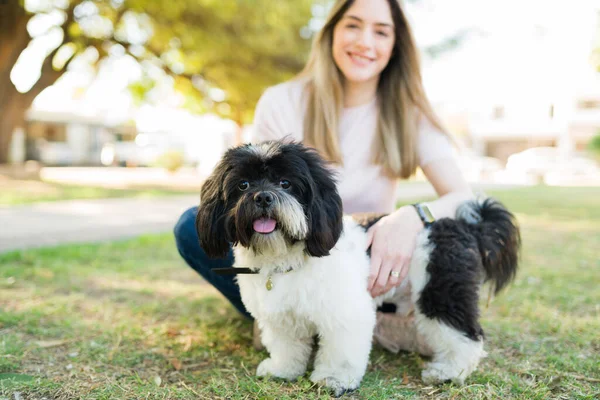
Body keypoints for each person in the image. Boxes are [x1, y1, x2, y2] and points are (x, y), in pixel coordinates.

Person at [174, 0, 473, 352]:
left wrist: (412, 217)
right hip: (288, 256)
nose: (365, 41)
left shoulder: (409, 112)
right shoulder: (282, 100)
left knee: (451, 240)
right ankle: (302, 323)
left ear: (396, 46)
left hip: (362, 254)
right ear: (330, 32)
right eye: (353, 25)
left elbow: (463, 199)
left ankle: (346, 323)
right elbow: (257, 188)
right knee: (192, 226)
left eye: (381, 31)